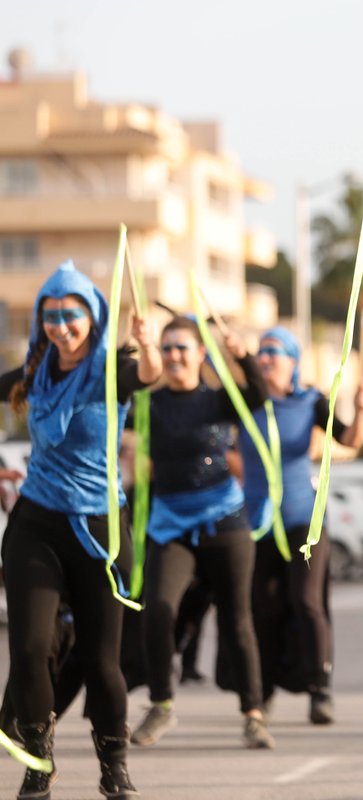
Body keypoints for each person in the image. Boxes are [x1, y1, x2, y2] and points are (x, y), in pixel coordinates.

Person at [0, 261, 160, 799]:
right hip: (36, 523)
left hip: (99, 528)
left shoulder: (113, 369)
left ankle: (114, 767)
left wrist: (149, 344)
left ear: (92, 317)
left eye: (71, 314)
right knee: (29, 650)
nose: (61, 325)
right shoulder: (34, 373)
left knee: (101, 659)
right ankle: (37, 762)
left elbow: (149, 375)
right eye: (51, 316)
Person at [130, 316, 275, 750]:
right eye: (167, 347)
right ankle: (161, 704)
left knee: (236, 619)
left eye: (182, 347)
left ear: (200, 354)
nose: (174, 355)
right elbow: (111, 403)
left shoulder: (219, 400)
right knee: (157, 610)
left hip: (224, 520)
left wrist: (243, 356)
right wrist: (133, 349)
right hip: (170, 523)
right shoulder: (148, 404)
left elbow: (259, 394)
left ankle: (253, 714)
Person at [241, 327, 363, 724]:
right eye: (261, 351)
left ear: (293, 361)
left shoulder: (311, 401)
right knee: (262, 608)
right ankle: (263, 691)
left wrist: (361, 409)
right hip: (258, 520)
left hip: (304, 520)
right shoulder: (244, 401)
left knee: (307, 602)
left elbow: (350, 440)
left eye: (274, 351)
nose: (265, 358)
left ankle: (320, 689)